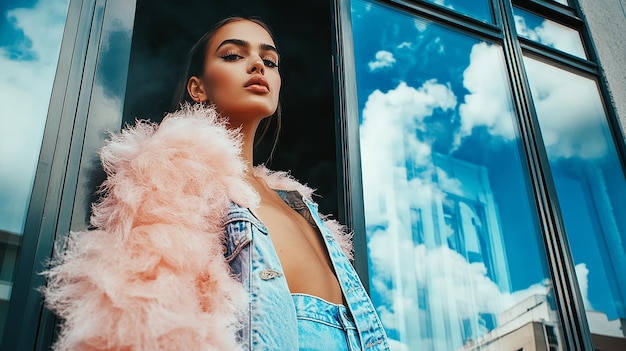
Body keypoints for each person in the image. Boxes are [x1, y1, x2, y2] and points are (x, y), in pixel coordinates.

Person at [41, 16, 389, 351]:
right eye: (234, 55)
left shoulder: (299, 203)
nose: (258, 66)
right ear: (198, 87)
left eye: (270, 60)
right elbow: (146, 313)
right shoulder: (174, 172)